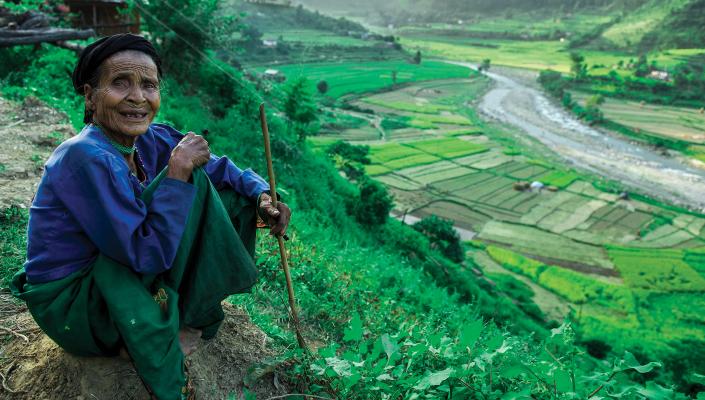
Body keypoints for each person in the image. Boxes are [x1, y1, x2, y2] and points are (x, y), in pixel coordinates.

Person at [10, 33, 291, 400]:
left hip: (115, 268)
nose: (137, 97)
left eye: (148, 85)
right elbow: (145, 254)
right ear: (90, 96)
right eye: (120, 83)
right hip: (75, 301)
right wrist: (176, 172)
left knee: (231, 195)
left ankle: (184, 311)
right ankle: (135, 330)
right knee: (191, 182)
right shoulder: (86, 157)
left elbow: (222, 168)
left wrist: (262, 196)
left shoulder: (147, 140)